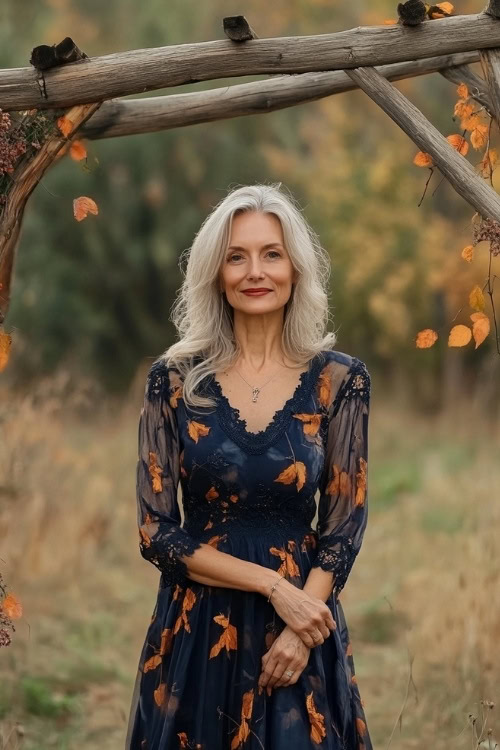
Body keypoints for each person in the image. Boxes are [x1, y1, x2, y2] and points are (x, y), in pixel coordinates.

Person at [125, 183, 372, 749]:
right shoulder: (175, 379)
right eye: (236, 256)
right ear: (216, 272)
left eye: (271, 254)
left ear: (296, 269)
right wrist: (272, 587)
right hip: (198, 626)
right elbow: (155, 532)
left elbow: (344, 526)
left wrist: (299, 625)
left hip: (301, 631)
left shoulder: (340, 380)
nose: (254, 271)